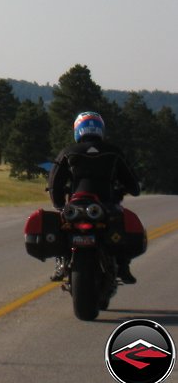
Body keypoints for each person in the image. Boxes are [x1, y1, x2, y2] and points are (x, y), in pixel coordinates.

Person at [47, 111, 141, 283]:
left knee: (63, 224)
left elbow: (54, 183)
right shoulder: (113, 152)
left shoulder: (68, 152)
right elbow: (133, 185)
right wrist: (127, 189)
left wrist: (59, 204)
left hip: (75, 207)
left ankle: (61, 262)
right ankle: (122, 266)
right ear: (100, 130)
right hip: (107, 206)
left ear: (78, 130)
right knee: (120, 227)